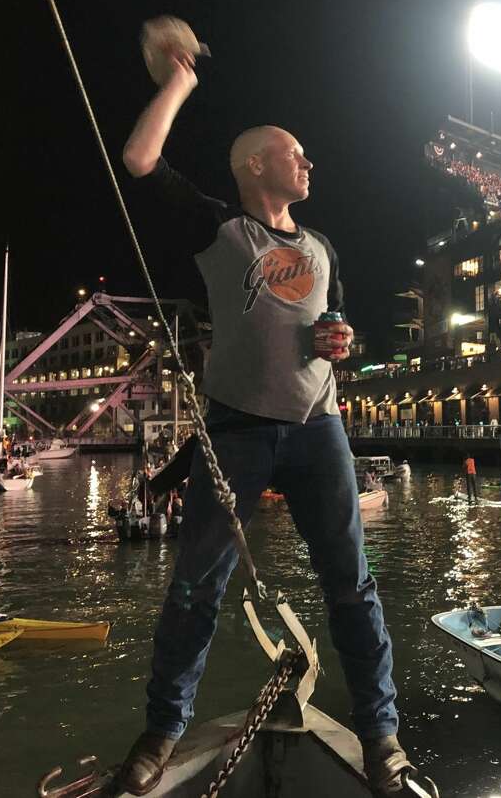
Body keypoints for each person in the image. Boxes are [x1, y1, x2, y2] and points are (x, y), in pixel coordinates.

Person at [117, 40, 409, 795]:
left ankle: (381, 735)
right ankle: (162, 727)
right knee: (194, 587)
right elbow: (142, 160)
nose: (309, 165)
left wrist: (343, 339)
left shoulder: (322, 246)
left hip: (320, 430)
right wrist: (179, 82)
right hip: (237, 428)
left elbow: (336, 326)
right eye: (295, 154)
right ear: (255, 166)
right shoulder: (221, 230)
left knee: (352, 585)